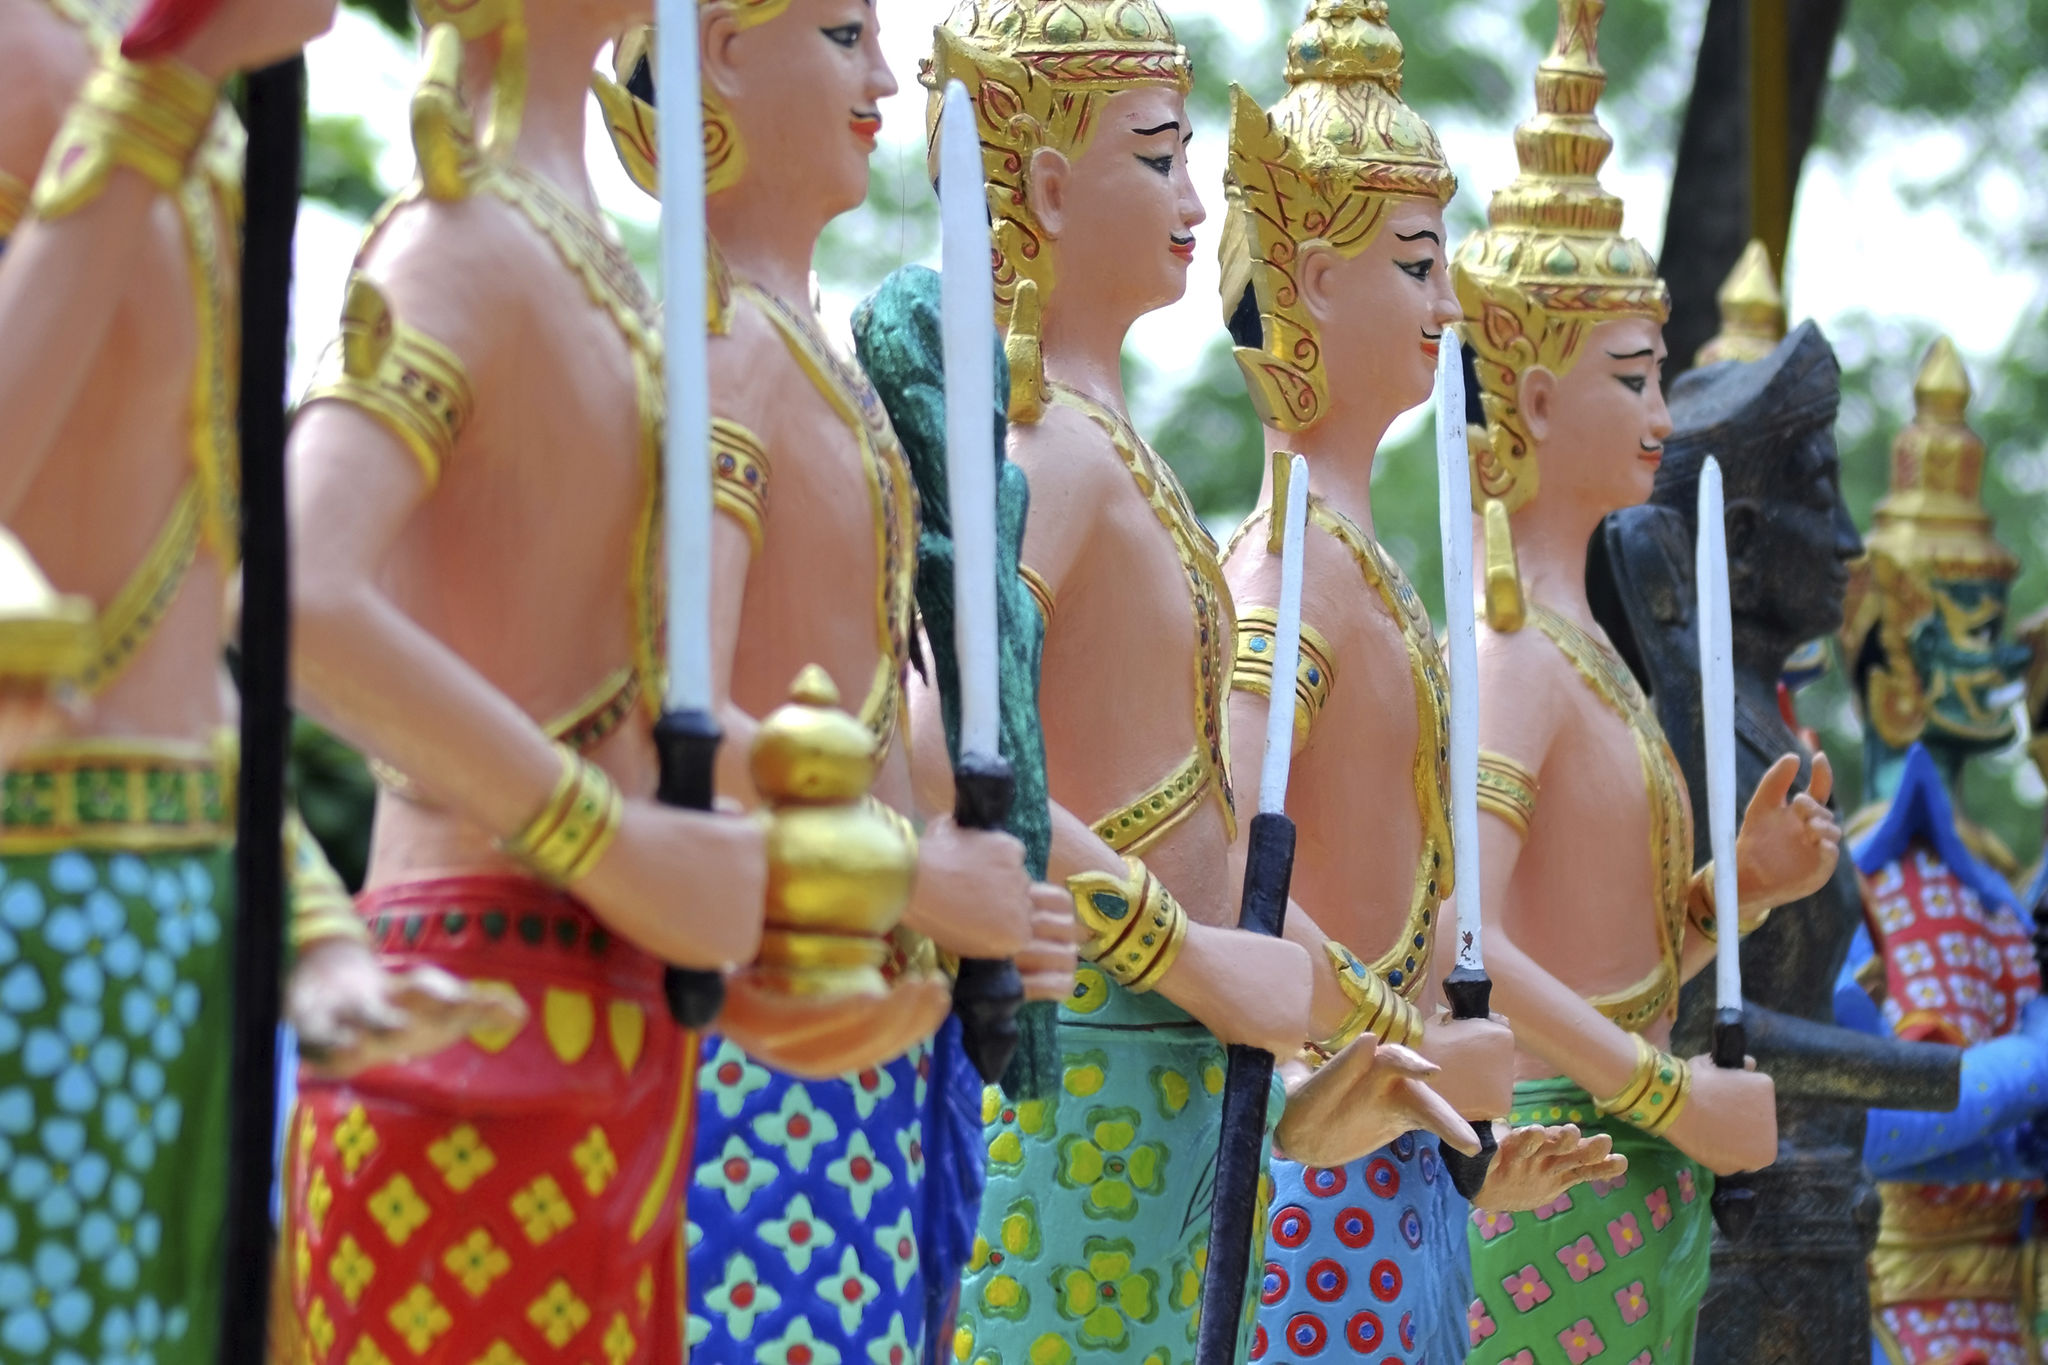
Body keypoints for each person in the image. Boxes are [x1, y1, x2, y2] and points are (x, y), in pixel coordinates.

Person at [1215, 6, 1623, 1360]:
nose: (1450, 305)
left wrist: (1459, 1130)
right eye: (1416, 264)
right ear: (1314, 276)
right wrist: (1392, 1052)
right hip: (1313, 1161)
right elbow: (1228, 864)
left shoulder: (1361, 560)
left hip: (1393, 1160)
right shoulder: (1289, 564)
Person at [1452, 3, 1840, 1359]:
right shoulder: (1511, 652)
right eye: (1634, 377)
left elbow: (1596, 964)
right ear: (1536, 398)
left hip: (1620, 1177)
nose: (1664, 417)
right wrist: (1669, 1093)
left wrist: (1739, 893)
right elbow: (1473, 943)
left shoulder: (1585, 648)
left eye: (1661, 375)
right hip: (1556, 1172)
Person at [682, 0, 1068, 1357]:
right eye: (843, 33)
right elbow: (658, 713)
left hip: (874, 1025)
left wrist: (979, 897)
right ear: (721, 50)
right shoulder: (724, 350)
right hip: (759, 1020)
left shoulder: (813, 359)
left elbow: (869, 715)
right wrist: (911, 871)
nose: (887, 75)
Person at [1829, 337, 2048, 1365]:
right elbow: (1838, 1127)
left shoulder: (1995, 887)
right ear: (1887, 640)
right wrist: (2024, 1068)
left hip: (2000, 1298)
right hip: (1885, 1302)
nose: (1993, 658)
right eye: (1964, 629)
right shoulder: (1841, 877)